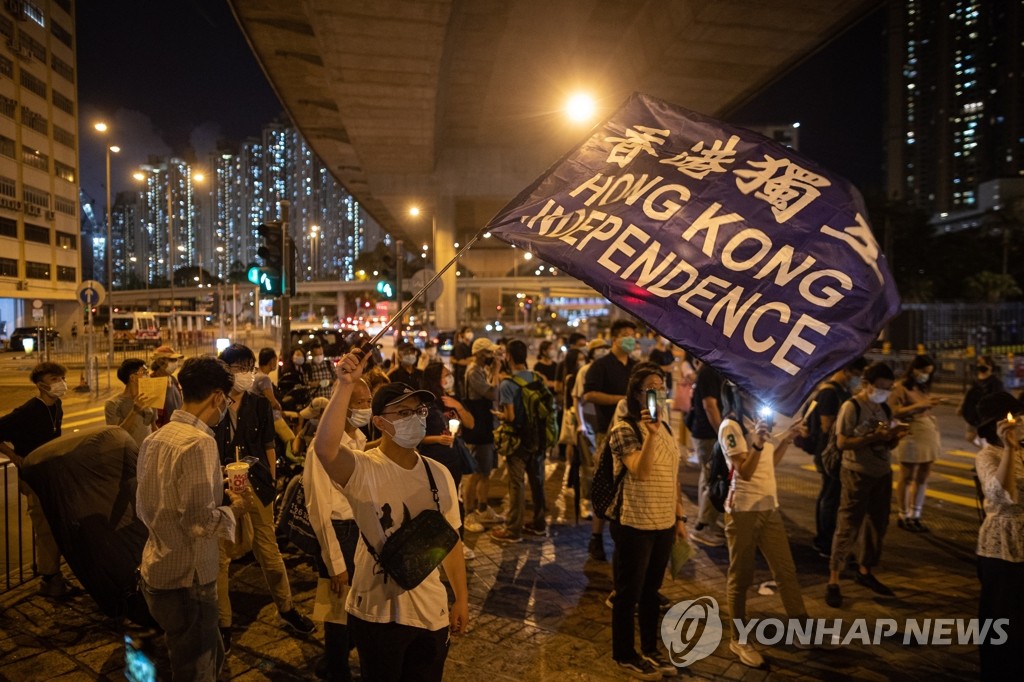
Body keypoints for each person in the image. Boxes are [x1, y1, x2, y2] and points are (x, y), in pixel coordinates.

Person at [312, 356, 469, 682]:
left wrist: (461, 599)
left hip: (431, 611)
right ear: (381, 422)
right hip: (376, 613)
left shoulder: (438, 474)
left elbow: (451, 541)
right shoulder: (363, 468)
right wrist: (344, 385)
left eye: (420, 411)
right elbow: (325, 450)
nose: (416, 419)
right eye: (405, 412)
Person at [136, 356, 248, 682]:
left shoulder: (156, 437)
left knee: (205, 657)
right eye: (225, 401)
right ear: (216, 396)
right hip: (190, 581)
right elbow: (200, 522)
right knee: (195, 671)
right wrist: (234, 510)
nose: (224, 407)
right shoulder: (200, 442)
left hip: (157, 569)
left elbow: (146, 505)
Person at [213, 344, 315, 649]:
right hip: (219, 486)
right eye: (237, 367)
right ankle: (224, 624)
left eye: (248, 367)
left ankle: (286, 608)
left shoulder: (258, 404)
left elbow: (269, 443)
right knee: (219, 559)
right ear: (224, 371)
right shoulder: (214, 404)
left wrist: (270, 479)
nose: (243, 373)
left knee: (269, 552)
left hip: (256, 484)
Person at [718, 383, 810, 668]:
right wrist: (757, 442)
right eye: (750, 392)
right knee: (741, 577)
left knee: (786, 571)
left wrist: (786, 439)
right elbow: (744, 472)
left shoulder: (758, 423)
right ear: (738, 395)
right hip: (743, 511)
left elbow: (768, 463)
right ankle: (739, 639)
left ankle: (802, 632)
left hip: (770, 507)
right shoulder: (730, 427)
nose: (757, 395)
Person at [608, 364, 687, 679]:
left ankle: (651, 649)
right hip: (635, 522)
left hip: (664, 521)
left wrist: (679, 517)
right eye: (650, 387)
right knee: (629, 593)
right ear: (637, 394)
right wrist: (651, 435)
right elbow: (639, 470)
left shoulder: (667, 426)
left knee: (652, 591)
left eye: (661, 386)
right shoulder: (624, 429)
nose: (658, 392)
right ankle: (625, 654)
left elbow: (673, 475)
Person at [304, 378, 372, 682]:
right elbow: (317, 507)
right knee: (336, 611)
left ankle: (335, 659)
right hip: (338, 531)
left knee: (355, 605)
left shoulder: (357, 437)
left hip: (358, 530)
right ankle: (337, 671)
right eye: (359, 403)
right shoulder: (319, 449)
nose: (366, 409)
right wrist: (334, 563)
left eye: (368, 401)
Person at [826, 362, 908, 608]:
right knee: (848, 525)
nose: (885, 392)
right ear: (867, 385)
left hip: (882, 472)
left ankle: (865, 570)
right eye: (881, 388)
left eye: (888, 388)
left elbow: (887, 445)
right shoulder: (851, 407)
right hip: (856, 473)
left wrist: (894, 437)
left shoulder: (884, 407)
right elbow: (842, 443)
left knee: (877, 524)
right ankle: (834, 580)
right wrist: (875, 437)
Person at [0, 362, 74, 597]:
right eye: (54, 378)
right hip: (33, 477)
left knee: (55, 524)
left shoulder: (57, 405)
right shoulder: (28, 411)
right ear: (40, 384)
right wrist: (13, 456)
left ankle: (49, 571)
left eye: (61, 377)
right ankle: (50, 579)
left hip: (52, 476)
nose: (60, 383)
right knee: (45, 527)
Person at [973, 392, 1024, 680]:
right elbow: (1003, 495)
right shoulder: (988, 455)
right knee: (1002, 621)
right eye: (1013, 417)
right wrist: (1008, 448)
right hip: (1001, 547)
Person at [583, 320, 638, 559]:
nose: (631, 339)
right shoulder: (601, 365)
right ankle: (596, 537)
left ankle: (624, 534)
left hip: (635, 434)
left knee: (628, 485)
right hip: (608, 432)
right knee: (604, 481)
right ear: (614, 338)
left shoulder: (636, 367)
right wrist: (619, 400)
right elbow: (589, 394)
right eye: (626, 335)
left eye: (633, 335)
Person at [809, 357, 867, 557]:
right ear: (847, 370)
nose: (858, 379)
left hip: (836, 453)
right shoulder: (829, 392)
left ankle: (828, 537)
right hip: (828, 453)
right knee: (830, 496)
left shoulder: (843, 390)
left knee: (832, 494)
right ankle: (823, 541)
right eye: (857, 375)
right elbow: (827, 426)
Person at [491, 339, 548, 542]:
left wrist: (500, 415)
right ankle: (540, 524)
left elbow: (511, 417)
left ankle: (513, 529)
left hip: (517, 441)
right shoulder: (536, 377)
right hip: (538, 439)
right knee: (537, 482)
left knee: (516, 484)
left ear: (509, 357)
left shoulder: (508, 384)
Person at [419, 363, 477, 543]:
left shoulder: (452, 399)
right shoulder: (425, 404)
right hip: (436, 459)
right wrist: (437, 439)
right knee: (436, 503)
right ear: (436, 378)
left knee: (455, 501)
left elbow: (470, 424)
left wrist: (458, 406)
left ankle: (458, 542)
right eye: (446, 374)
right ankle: (437, 542)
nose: (450, 377)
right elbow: (418, 437)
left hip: (454, 459)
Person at [889, 354, 943, 532]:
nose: (925, 375)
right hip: (911, 432)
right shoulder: (901, 387)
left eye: (929, 373)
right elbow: (894, 411)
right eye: (923, 371)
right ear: (914, 369)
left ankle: (916, 514)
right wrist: (920, 406)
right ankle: (903, 515)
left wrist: (929, 403)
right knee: (907, 476)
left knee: (923, 475)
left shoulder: (922, 386)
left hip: (928, 432)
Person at [461, 337, 505, 530]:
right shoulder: (473, 372)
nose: (491, 356)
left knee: (486, 471)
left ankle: (483, 507)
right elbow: (493, 393)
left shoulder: (481, 370)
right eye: (488, 353)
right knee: (475, 473)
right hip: (478, 427)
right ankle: (468, 514)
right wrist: (496, 371)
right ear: (478, 354)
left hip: (487, 425)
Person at [576, 338, 610, 555]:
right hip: (589, 422)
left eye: (605, 348)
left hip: (603, 423)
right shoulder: (586, 371)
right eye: (600, 349)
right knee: (589, 468)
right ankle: (584, 502)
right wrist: (580, 423)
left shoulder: (606, 368)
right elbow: (577, 399)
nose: (603, 351)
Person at [688, 359, 725, 547]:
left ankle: (709, 519)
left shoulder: (713, 369)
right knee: (714, 478)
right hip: (709, 434)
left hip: (709, 433)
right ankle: (703, 527)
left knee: (708, 477)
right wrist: (723, 432)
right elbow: (710, 405)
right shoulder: (709, 371)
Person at [253, 347, 297, 452]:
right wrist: (280, 408)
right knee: (291, 439)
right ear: (272, 360)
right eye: (276, 360)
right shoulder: (264, 378)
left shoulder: (255, 375)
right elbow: (272, 402)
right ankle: (295, 458)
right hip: (272, 417)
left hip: (260, 415)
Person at [105, 358, 157, 447]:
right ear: (133, 378)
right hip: (128, 455)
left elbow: (153, 427)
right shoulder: (113, 403)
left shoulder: (147, 398)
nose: (148, 377)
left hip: (147, 452)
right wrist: (134, 411)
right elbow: (116, 435)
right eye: (144, 373)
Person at [960, 355, 1004, 444]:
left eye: (983, 364)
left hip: (985, 415)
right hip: (973, 413)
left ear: (990, 366)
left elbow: (998, 399)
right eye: (979, 363)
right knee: (969, 436)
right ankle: (985, 450)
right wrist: (961, 406)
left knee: (985, 438)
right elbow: (969, 394)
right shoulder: (976, 380)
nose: (981, 366)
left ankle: (987, 451)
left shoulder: (995, 382)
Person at [150, 355, 183, 429]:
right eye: (172, 360)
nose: (175, 363)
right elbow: (152, 414)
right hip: (161, 428)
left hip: (176, 426)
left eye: (176, 360)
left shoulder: (172, 379)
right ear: (160, 362)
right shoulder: (151, 382)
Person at [451, 326, 474, 400]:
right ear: (462, 334)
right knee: (463, 396)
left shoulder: (473, 345)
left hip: (472, 375)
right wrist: (472, 359)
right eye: (467, 331)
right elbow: (461, 361)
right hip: (462, 375)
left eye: (470, 331)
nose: (470, 333)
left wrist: (469, 359)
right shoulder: (459, 347)